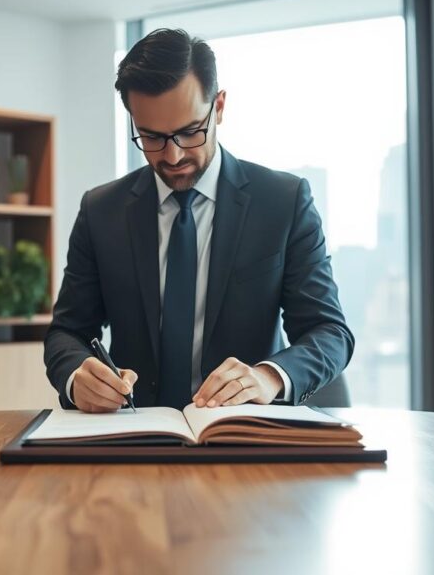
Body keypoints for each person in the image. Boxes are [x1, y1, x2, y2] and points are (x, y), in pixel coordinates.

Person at [44, 28, 354, 413]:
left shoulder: (284, 202)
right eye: (151, 137)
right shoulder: (101, 210)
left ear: (219, 107)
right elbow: (67, 332)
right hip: (133, 434)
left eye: (190, 132)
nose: (172, 157)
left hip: (244, 435)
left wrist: (268, 377)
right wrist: (77, 377)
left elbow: (330, 333)